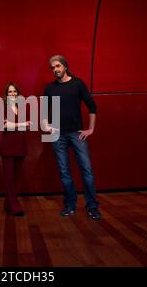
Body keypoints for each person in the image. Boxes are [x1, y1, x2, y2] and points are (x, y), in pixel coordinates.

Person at [43, 55, 101, 220]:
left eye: (58, 66)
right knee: (64, 172)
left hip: (76, 134)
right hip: (57, 135)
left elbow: (92, 106)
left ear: (65, 67)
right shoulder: (50, 88)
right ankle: (70, 206)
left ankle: (92, 207)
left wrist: (90, 129)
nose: (55, 70)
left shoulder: (77, 84)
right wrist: (46, 125)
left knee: (87, 171)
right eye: (53, 68)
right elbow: (43, 111)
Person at [0, 83, 32, 216]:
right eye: (10, 92)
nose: (12, 94)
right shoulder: (2, 107)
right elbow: (5, 125)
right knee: (9, 178)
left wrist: (18, 125)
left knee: (16, 178)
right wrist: (22, 124)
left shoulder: (21, 107)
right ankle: (15, 206)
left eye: (15, 92)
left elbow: (29, 125)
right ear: (6, 95)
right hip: (8, 147)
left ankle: (8, 204)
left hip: (21, 146)